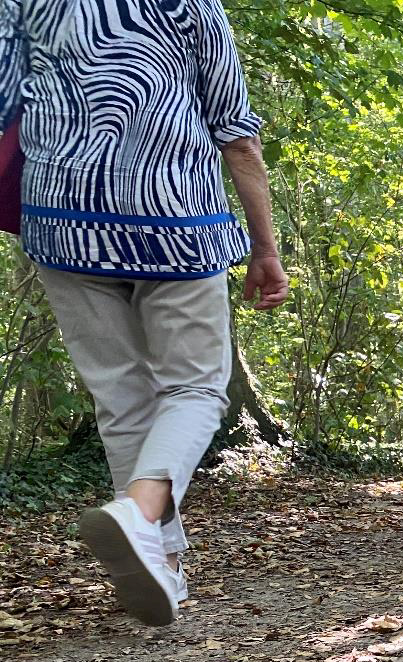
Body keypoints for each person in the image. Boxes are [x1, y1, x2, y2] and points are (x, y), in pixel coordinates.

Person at [0, 0, 289, 626]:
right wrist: (265, 248)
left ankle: (161, 561)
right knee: (196, 388)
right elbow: (237, 139)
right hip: (175, 221)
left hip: (60, 223)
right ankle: (143, 509)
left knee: (120, 396)